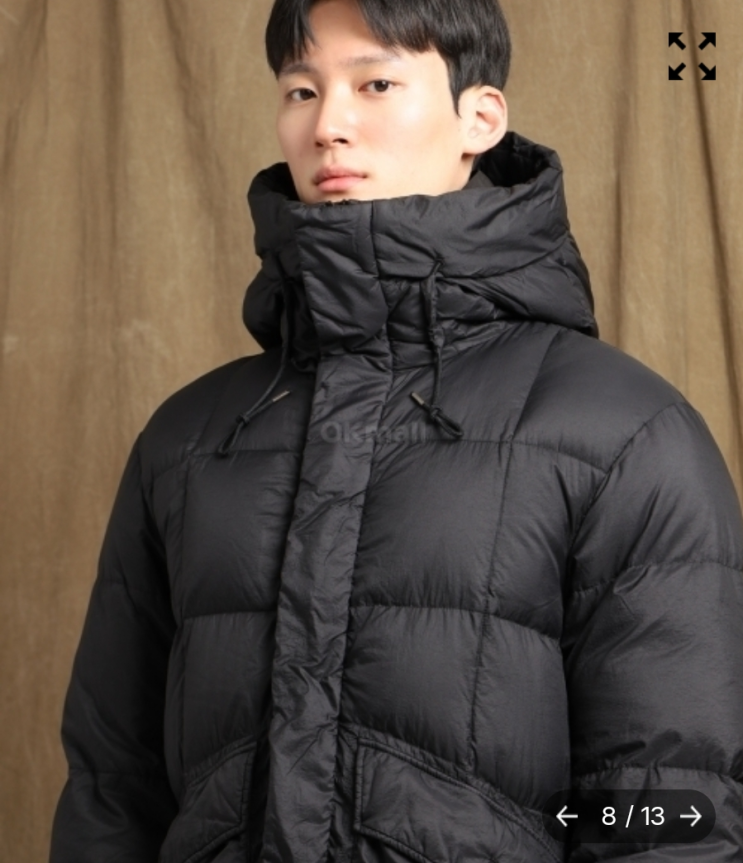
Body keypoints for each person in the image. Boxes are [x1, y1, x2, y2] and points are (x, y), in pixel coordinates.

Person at [49, 0, 743, 861]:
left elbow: (667, 810)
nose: (327, 125)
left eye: (374, 84)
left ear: (479, 117)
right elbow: (112, 789)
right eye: (300, 90)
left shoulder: (623, 431)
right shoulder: (189, 439)